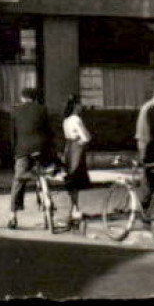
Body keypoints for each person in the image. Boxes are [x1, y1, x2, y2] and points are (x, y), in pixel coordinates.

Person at [7, 86, 52, 230]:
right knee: (43, 172)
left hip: (23, 150)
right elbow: (48, 131)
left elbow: (13, 135)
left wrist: (15, 151)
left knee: (18, 181)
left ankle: (13, 216)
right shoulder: (42, 109)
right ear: (35, 97)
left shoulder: (15, 110)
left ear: (22, 97)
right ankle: (43, 191)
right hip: (41, 148)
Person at [60, 95, 91, 227]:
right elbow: (86, 137)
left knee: (71, 180)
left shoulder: (66, 120)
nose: (81, 107)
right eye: (80, 104)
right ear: (75, 105)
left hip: (68, 148)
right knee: (76, 179)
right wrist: (82, 141)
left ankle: (74, 208)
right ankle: (75, 209)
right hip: (77, 149)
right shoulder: (76, 119)